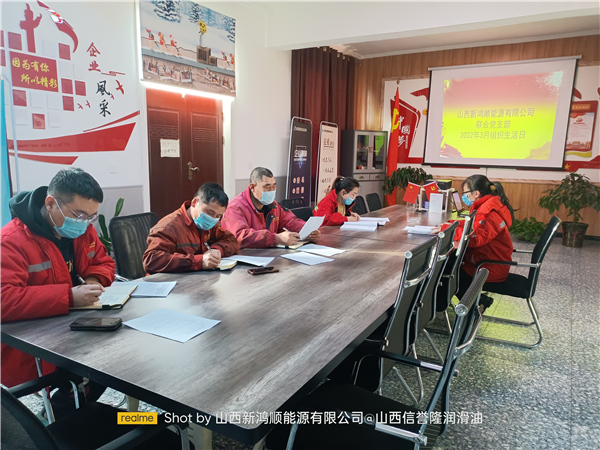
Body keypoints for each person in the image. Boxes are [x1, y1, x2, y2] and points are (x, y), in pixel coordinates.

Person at [1, 168, 114, 412]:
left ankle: (78, 410)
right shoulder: (11, 241)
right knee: (95, 371)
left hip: (78, 324)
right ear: (51, 203)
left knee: (118, 359)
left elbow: (103, 262)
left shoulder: (82, 230)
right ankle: (65, 417)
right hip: (36, 339)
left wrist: (94, 279)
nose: (84, 222)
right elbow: (3, 299)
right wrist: (68, 297)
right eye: (79, 214)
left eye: (91, 216)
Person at [436, 174, 515, 301]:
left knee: (446, 272)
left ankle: (471, 305)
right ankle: (478, 302)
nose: (464, 196)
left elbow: (476, 238)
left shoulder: (489, 213)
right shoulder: (489, 205)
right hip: (485, 262)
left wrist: (448, 230)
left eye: (465, 193)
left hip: (488, 268)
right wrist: (452, 225)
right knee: (448, 265)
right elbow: (473, 226)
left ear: (476, 193)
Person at [144, 182, 240, 273]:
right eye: (210, 212)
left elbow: (231, 240)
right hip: (167, 281)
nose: (212, 219)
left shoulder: (210, 225)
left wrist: (217, 249)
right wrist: (198, 262)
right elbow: (151, 260)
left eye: (218, 216)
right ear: (194, 202)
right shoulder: (170, 226)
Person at [221, 167, 321, 248]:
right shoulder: (235, 208)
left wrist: (307, 230)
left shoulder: (274, 206)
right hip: (244, 258)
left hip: (269, 255)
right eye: (267, 186)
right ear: (252, 187)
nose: (271, 190)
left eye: (274, 186)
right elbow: (240, 236)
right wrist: (276, 238)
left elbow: (290, 221)